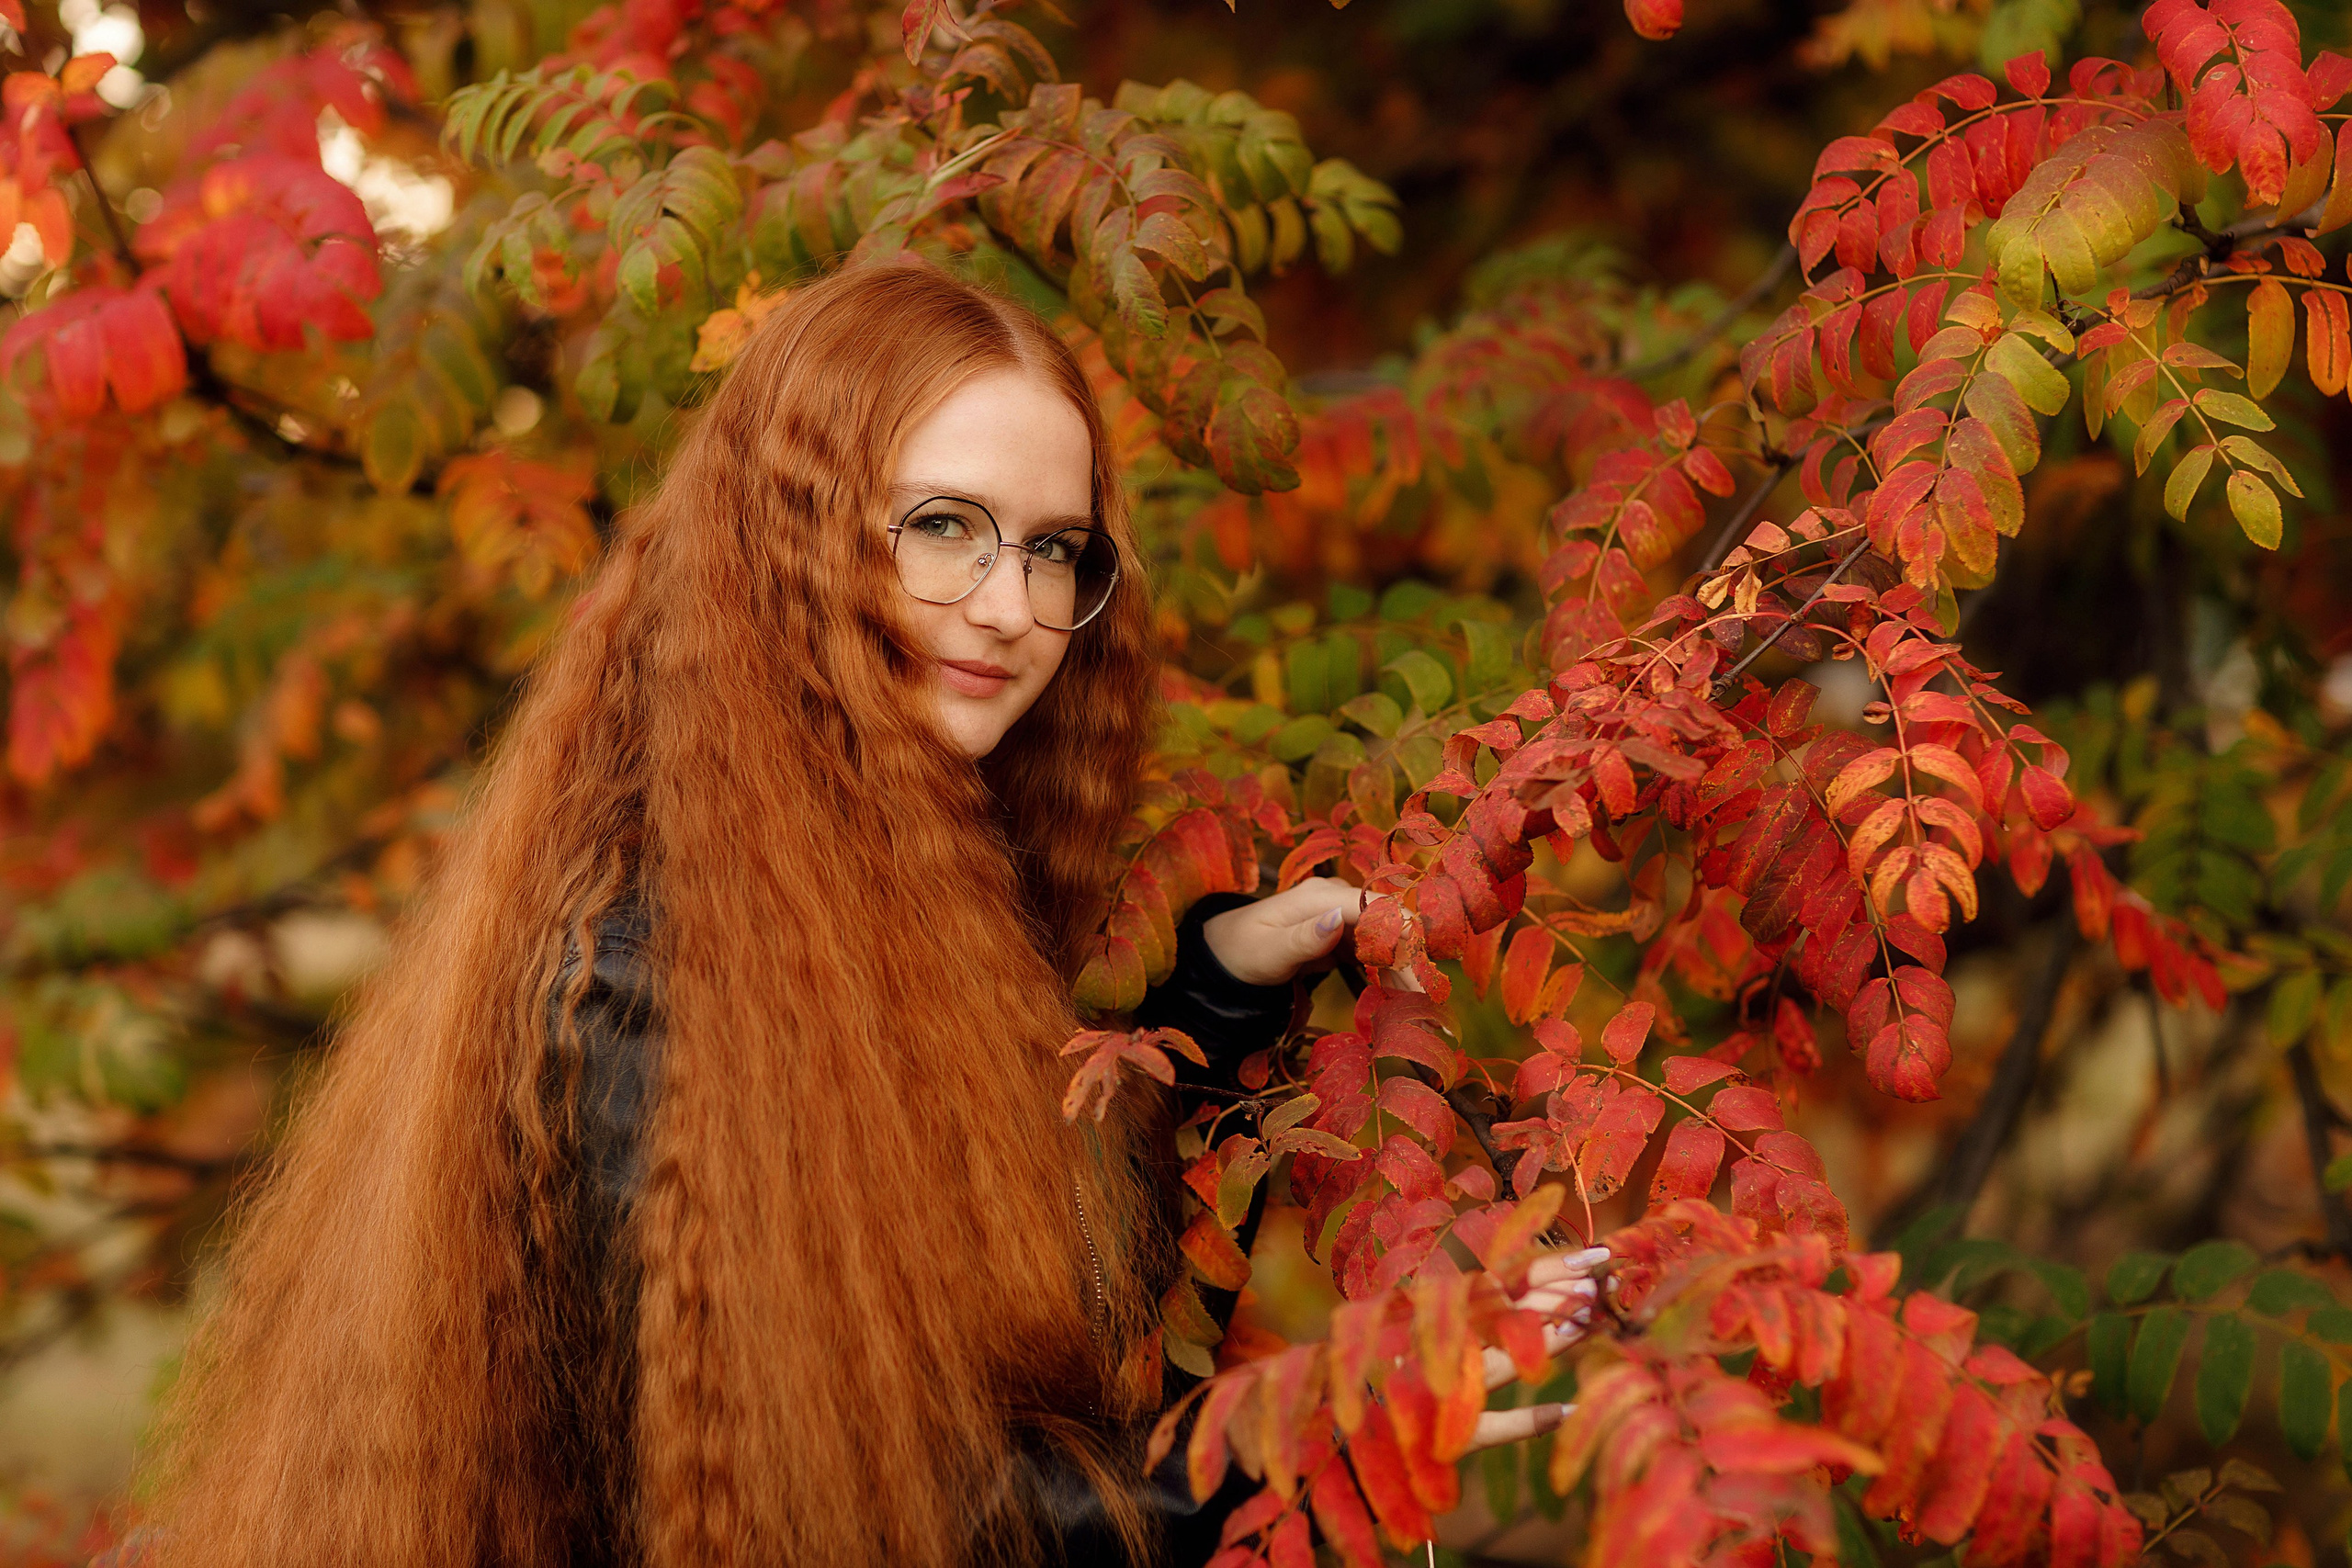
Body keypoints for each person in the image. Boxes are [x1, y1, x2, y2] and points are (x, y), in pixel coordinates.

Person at [136, 259, 1598, 1568]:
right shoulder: (634, 979)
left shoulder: (920, 896)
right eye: (945, 526)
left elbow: (1063, 1356)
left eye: (1053, 548)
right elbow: (888, 1507)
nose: (1010, 607)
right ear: (784, 542)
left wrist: (1210, 1004)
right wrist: (1324, 1440)